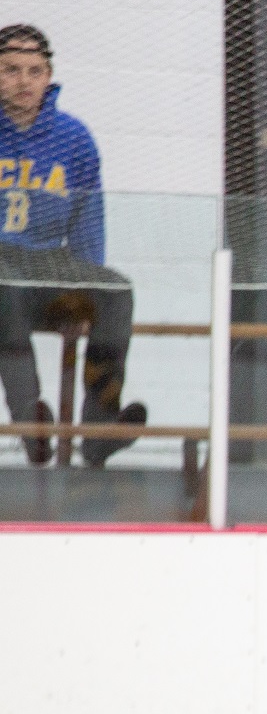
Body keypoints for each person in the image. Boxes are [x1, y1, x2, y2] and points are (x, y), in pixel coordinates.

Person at [0, 23, 144, 467]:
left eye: (34, 70)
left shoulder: (73, 138)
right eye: (11, 69)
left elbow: (87, 220)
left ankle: (98, 431)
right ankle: (32, 428)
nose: (24, 81)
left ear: (49, 76)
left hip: (49, 267)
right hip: (2, 272)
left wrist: (83, 293)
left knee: (116, 291)